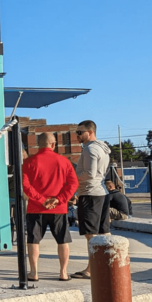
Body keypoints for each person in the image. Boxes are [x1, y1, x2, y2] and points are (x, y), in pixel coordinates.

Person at [22, 132, 79, 281]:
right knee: (62, 240)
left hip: (35, 208)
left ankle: (34, 272)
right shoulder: (64, 161)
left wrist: (41, 200)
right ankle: (63, 272)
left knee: (33, 241)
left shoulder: (28, 163)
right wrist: (58, 200)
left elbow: (26, 186)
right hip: (59, 209)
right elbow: (73, 184)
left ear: (37, 145)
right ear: (53, 144)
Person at [72, 120, 112, 279]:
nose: (77, 136)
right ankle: (107, 264)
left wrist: (72, 177)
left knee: (91, 234)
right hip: (101, 193)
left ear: (90, 132)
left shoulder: (90, 149)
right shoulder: (103, 148)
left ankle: (91, 269)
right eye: (77, 132)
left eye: (80, 132)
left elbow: (89, 174)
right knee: (104, 232)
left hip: (90, 193)